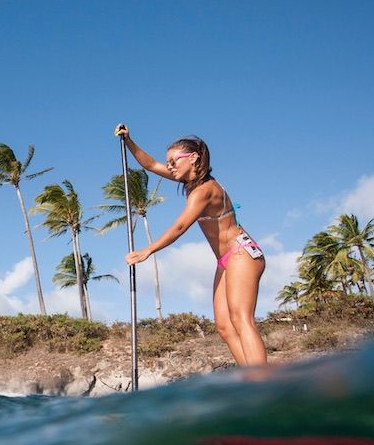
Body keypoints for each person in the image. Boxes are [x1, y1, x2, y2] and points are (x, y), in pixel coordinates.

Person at [115, 125, 268, 366]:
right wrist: (128, 141)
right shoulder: (191, 185)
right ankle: (249, 375)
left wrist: (148, 250)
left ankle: (263, 379)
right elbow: (151, 165)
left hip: (242, 253)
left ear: (194, 158)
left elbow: (180, 226)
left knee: (241, 318)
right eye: (169, 162)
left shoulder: (204, 191)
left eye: (174, 161)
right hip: (226, 260)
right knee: (225, 326)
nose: (170, 166)